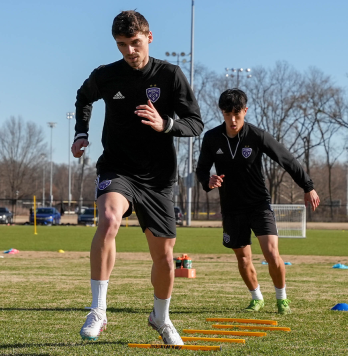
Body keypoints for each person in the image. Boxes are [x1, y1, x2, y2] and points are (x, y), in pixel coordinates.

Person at [71, 11, 203, 345]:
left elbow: (195, 123)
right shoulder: (106, 76)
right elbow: (83, 96)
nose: (129, 51)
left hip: (158, 179)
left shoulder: (170, 75)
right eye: (122, 45)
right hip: (118, 168)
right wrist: (81, 132)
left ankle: (160, 317)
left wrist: (166, 125)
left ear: (149, 37)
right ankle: (98, 311)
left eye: (135, 43)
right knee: (108, 219)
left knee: (163, 258)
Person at [195, 89, 320, 314]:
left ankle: (282, 299)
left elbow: (287, 160)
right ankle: (256, 298)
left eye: (237, 114)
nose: (232, 120)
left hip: (258, 205)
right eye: (227, 114)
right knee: (243, 259)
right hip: (231, 208)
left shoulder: (257, 136)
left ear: (245, 111)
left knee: (272, 254)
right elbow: (202, 169)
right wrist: (208, 180)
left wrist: (308, 187)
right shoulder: (212, 138)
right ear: (221, 112)